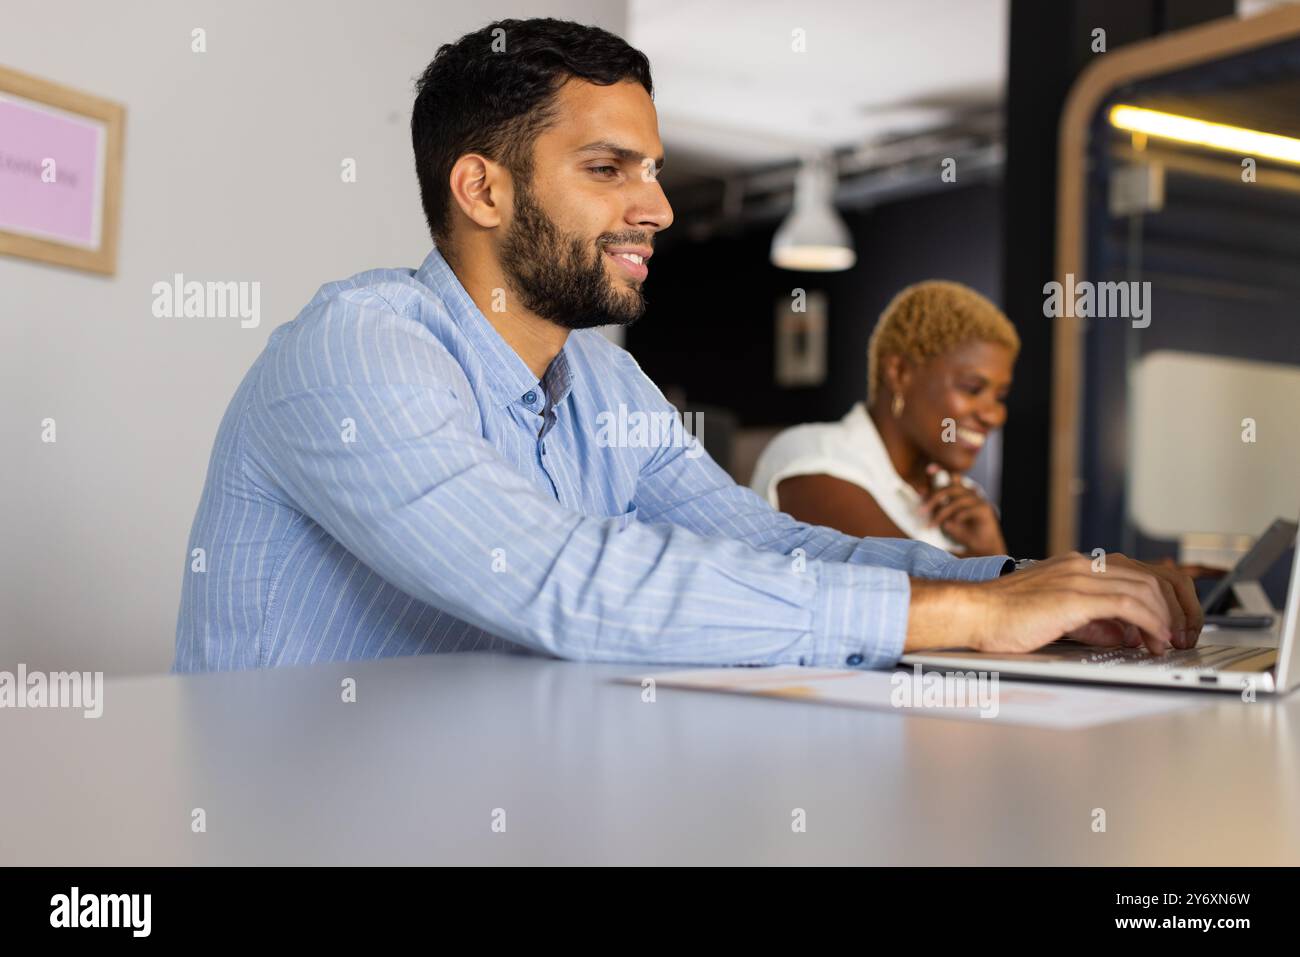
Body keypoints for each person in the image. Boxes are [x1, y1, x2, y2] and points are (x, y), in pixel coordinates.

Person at [174, 18, 1201, 674]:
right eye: (610, 169)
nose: (657, 207)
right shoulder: (355, 353)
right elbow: (563, 583)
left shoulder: (602, 380)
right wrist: (970, 622)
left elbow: (770, 546)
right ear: (482, 189)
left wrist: (1034, 589)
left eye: (654, 170)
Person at [752, 281, 1016, 557]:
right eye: (972, 388)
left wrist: (990, 550)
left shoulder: (963, 500)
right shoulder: (813, 455)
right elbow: (907, 581)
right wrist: (991, 558)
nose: (993, 415)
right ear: (900, 372)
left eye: (1000, 396)